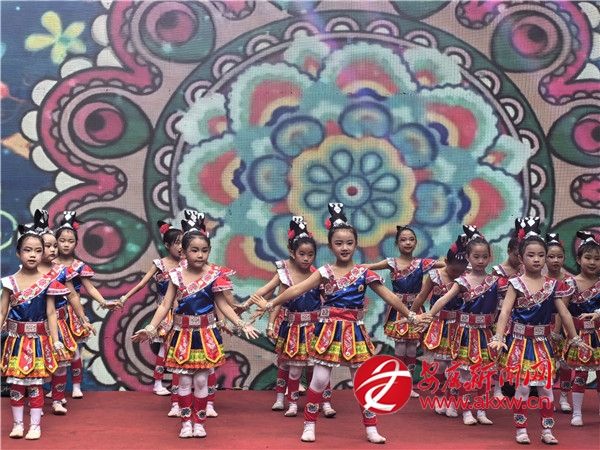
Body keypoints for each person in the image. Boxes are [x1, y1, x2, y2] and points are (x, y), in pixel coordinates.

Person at [251, 203, 431, 444]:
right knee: (318, 380)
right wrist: (271, 304)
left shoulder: (364, 273)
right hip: (328, 332)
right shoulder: (324, 272)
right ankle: (309, 425)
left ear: (356, 245)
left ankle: (371, 429)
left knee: (363, 383)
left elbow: (388, 295)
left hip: (355, 333)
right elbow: (296, 289)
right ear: (331, 246)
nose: (344, 247)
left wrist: (410, 315)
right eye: (339, 243)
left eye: (349, 243)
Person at [132, 210, 260, 438]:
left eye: (204, 250)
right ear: (183, 252)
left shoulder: (214, 275)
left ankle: (199, 423)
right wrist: (150, 329)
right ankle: (185, 424)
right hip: (181, 334)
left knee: (201, 381)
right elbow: (165, 306)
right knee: (183, 382)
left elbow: (223, 305)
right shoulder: (175, 276)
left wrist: (241, 324)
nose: (200, 255)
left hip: (205, 335)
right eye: (194, 250)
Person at [490, 217, 587, 445]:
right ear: (521, 257)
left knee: (546, 390)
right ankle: (521, 430)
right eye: (531, 255)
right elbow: (505, 312)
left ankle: (547, 430)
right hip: (521, 344)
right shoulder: (515, 283)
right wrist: (499, 336)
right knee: (523, 389)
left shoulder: (553, 285)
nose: (536, 259)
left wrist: (574, 338)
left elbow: (564, 314)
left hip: (543, 344)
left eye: (541, 255)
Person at [427, 225, 503, 426]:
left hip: (486, 334)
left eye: (484, 257)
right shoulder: (462, 282)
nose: (480, 261)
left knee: (485, 373)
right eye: (476, 257)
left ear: (490, 258)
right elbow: (443, 299)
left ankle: (482, 410)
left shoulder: (496, 282)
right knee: (465, 374)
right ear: (468, 257)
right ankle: (467, 412)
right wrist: (428, 315)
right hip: (466, 334)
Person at [0, 224, 68, 440]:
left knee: (36, 385)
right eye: (27, 250)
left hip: (39, 342)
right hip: (16, 342)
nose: (33, 255)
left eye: (38, 251)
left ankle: (35, 426)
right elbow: (2, 311)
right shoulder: (9, 282)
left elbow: (51, 313)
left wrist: (56, 341)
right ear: (18, 253)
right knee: (16, 385)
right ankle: (18, 424)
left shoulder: (49, 283)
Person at [364, 226, 443, 398]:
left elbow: (447, 265)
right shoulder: (391, 263)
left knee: (412, 348)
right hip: (399, 310)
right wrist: (348, 268)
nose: (408, 243)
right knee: (400, 347)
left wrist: (466, 263)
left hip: (416, 310)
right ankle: (398, 384)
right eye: (403, 239)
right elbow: (369, 266)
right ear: (396, 243)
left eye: (411, 239)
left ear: (416, 242)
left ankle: (409, 385)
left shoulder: (422, 263)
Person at [265, 216, 332, 418]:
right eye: (302, 254)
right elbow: (277, 301)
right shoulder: (285, 275)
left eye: (310, 255)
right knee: (290, 368)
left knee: (317, 369)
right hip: (292, 328)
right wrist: (270, 324)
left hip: (314, 329)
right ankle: (289, 402)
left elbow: (329, 299)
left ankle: (323, 403)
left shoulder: (319, 276)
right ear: (292, 253)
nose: (306, 258)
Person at [32, 210, 96, 415]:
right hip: (37, 326)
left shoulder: (61, 271)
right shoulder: (28, 273)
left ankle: (58, 399)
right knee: (38, 363)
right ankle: (37, 402)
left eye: (54, 245)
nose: (53, 249)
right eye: (48, 246)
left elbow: (73, 296)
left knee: (61, 362)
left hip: (59, 323)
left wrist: (83, 319)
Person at [53, 211, 122, 399]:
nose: (66, 244)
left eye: (70, 241)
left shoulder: (79, 266)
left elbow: (90, 288)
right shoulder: (48, 265)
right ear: (56, 242)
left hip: (73, 312)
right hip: (52, 312)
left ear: (76, 243)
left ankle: (76, 386)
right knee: (52, 350)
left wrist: (104, 302)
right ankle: (54, 388)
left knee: (74, 351)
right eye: (62, 240)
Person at [119, 220, 183, 416]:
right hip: (164, 311)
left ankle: (182, 385)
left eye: (183, 242)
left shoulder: (187, 264)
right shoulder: (160, 264)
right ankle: (158, 383)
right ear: (167, 245)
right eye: (177, 243)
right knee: (164, 348)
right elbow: (141, 284)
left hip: (182, 310)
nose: (181, 247)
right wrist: (125, 298)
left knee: (179, 347)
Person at [412, 233, 468, 417]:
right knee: (441, 366)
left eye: (461, 271)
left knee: (455, 367)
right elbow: (421, 296)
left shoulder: (467, 277)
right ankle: (439, 397)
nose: (457, 275)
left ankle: (452, 402)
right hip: (438, 325)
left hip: (458, 326)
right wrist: (411, 315)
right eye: (453, 271)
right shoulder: (434, 276)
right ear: (445, 262)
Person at [563, 230, 600, 427]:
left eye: (597, 259)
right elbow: (562, 310)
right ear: (578, 259)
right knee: (580, 374)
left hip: (599, 335)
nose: (592, 262)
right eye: (588, 258)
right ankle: (577, 413)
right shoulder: (570, 283)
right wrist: (558, 334)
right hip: (579, 336)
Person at [545, 233, 576, 414]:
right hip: (543, 327)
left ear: (564, 258)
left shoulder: (569, 281)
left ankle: (564, 397)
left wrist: (559, 331)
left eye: (559, 256)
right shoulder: (540, 280)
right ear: (544, 258)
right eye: (551, 256)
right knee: (547, 364)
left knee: (565, 364)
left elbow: (567, 309)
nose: (555, 260)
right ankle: (548, 396)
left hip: (563, 327)